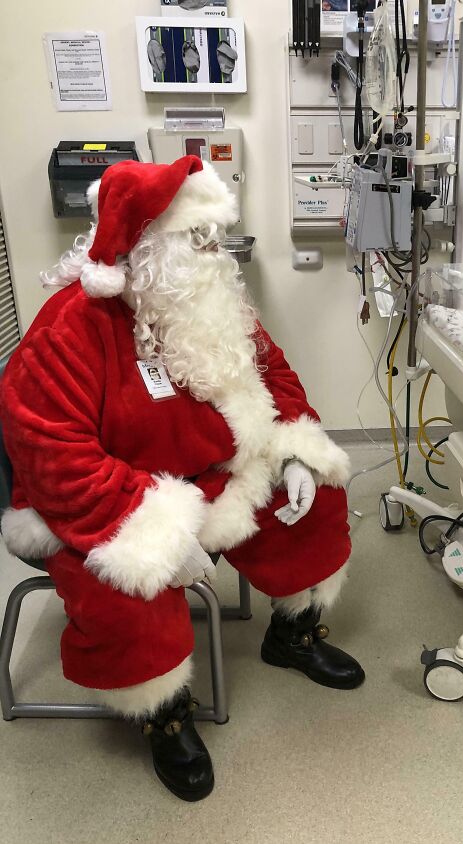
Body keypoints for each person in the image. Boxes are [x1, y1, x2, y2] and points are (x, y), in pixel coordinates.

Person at [0, 156, 364, 802]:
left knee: (316, 500)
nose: (214, 253)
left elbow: (274, 375)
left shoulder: (210, 302)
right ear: (148, 249)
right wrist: (160, 530)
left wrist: (299, 452)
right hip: (97, 502)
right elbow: (55, 460)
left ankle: (294, 634)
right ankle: (162, 715)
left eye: (214, 238)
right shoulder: (68, 330)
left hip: (207, 474)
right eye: (198, 241)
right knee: (129, 584)